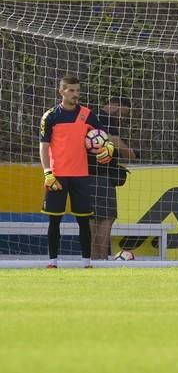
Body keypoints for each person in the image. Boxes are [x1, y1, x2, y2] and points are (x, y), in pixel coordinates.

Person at [39, 76, 114, 268]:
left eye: (77, 91)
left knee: (83, 221)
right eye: (71, 90)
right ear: (61, 91)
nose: (75, 94)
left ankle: (86, 262)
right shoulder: (50, 116)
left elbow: (104, 135)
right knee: (54, 221)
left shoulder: (87, 114)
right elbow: (43, 146)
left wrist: (109, 148)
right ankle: (52, 262)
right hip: (57, 176)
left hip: (81, 175)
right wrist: (48, 172)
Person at [88, 97, 137, 260]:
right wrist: (128, 151)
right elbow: (115, 143)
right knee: (106, 217)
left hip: (88, 176)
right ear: (116, 106)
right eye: (124, 114)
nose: (123, 118)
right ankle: (100, 259)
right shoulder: (104, 120)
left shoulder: (92, 118)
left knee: (95, 219)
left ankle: (94, 259)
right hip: (100, 176)